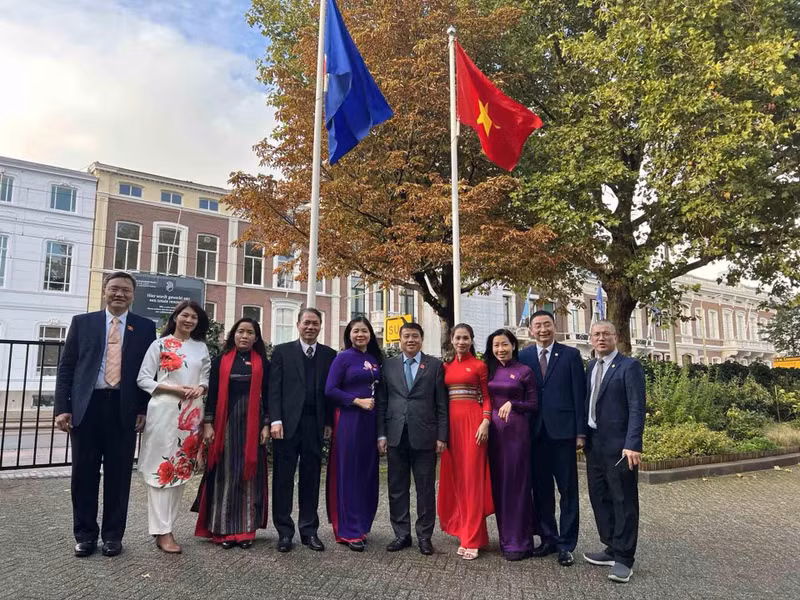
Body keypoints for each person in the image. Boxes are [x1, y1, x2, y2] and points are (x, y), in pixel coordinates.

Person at [54, 271, 156, 558]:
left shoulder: (145, 328)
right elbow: (67, 367)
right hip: (87, 408)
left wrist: (143, 409)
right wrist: (63, 407)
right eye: (114, 289)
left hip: (123, 410)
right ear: (104, 291)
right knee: (83, 474)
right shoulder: (82, 323)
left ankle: (113, 536)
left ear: (133, 295)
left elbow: (149, 374)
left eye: (125, 290)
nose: (119, 294)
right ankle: (85, 535)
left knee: (119, 475)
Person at [137, 300, 211, 554]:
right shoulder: (159, 344)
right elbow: (143, 378)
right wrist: (175, 389)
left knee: (180, 471)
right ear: (175, 317)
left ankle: (167, 527)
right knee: (161, 471)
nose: (189, 320)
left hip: (191, 417)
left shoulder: (201, 348)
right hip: (164, 411)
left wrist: (201, 388)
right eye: (185, 315)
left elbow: (206, 378)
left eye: (194, 318)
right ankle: (162, 531)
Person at [192, 318, 270, 549]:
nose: (244, 336)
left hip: (253, 426)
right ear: (233, 335)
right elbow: (212, 395)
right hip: (225, 425)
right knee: (225, 477)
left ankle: (246, 530)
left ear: (256, 338)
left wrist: (266, 424)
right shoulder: (221, 362)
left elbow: (268, 396)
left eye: (249, 332)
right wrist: (208, 423)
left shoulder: (263, 364)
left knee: (249, 476)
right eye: (240, 331)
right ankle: (223, 530)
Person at [519, 310, 586, 567]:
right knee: (542, 491)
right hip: (534, 434)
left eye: (547, 324)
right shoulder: (523, 356)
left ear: (554, 327)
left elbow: (578, 394)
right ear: (531, 329)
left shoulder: (570, 355)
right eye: (538, 326)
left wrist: (580, 432)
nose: (543, 329)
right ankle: (548, 538)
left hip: (564, 433)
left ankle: (566, 544)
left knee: (567, 490)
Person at [582, 320, 645, 584]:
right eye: (596, 334)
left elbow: (636, 407)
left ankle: (624, 558)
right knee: (600, 497)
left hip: (620, 447)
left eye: (606, 333)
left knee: (623, 500)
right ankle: (610, 546)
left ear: (616, 336)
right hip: (594, 443)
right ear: (590, 339)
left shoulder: (629, 367)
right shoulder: (590, 366)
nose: (601, 338)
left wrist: (633, 443)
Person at [269, 308, 337, 553]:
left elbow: (331, 393)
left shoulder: (330, 355)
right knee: (283, 479)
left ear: (320, 326)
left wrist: (329, 422)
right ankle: (284, 532)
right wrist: (274, 420)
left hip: (314, 425)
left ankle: (309, 531)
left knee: (311, 478)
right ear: (298, 325)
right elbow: (273, 389)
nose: (311, 327)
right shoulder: (282, 352)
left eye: (315, 323)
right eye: (306, 323)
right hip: (286, 426)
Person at [377, 322, 447, 556]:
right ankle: (401, 534)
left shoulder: (435, 366)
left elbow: (441, 405)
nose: (410, 340)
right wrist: (382, 434)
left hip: (425, 436)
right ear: (400, 339)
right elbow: (382, 403)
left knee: (425, 489)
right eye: (406, 336)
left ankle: (425, 536)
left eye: (415, 336)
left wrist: (442, 436)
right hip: (396, 435)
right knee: (397, 488)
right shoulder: (388, 366)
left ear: (421, 339)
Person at [324, 317, 383, 551]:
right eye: (356, 331)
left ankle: (362, 524)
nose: (360, 334)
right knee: (348, 471)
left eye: (364, 331)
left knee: (367, 473)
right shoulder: (342, 358)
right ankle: (347, 530)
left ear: (370, 334)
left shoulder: (374, 359)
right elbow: (329, 390)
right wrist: (356, 401)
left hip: (370, 421)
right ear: (349, 334)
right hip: (349, 419)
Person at [437, 323, 494, 560]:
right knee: (456, 480)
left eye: (466, 338)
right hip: (451, 428)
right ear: (452, 340)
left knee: (472, 481)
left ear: (472, 340)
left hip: (474, 428)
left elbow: (487, 397)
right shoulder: (445, 367)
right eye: (458, 338)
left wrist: (485, 421)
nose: (462, 342)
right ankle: (465, 531)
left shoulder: (480, 366)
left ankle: (472, 538)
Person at [485, 328, 538, 561]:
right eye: (496, 345)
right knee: (500, 485)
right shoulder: (490, 370)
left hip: (516, 434)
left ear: (513, 345)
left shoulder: (524, 371)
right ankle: (506, 539)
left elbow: (534, 404)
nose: (500, 349)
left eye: (504, 344)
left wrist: (513, 403)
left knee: (517, 484)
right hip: (494, 434)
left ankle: (522, 541)